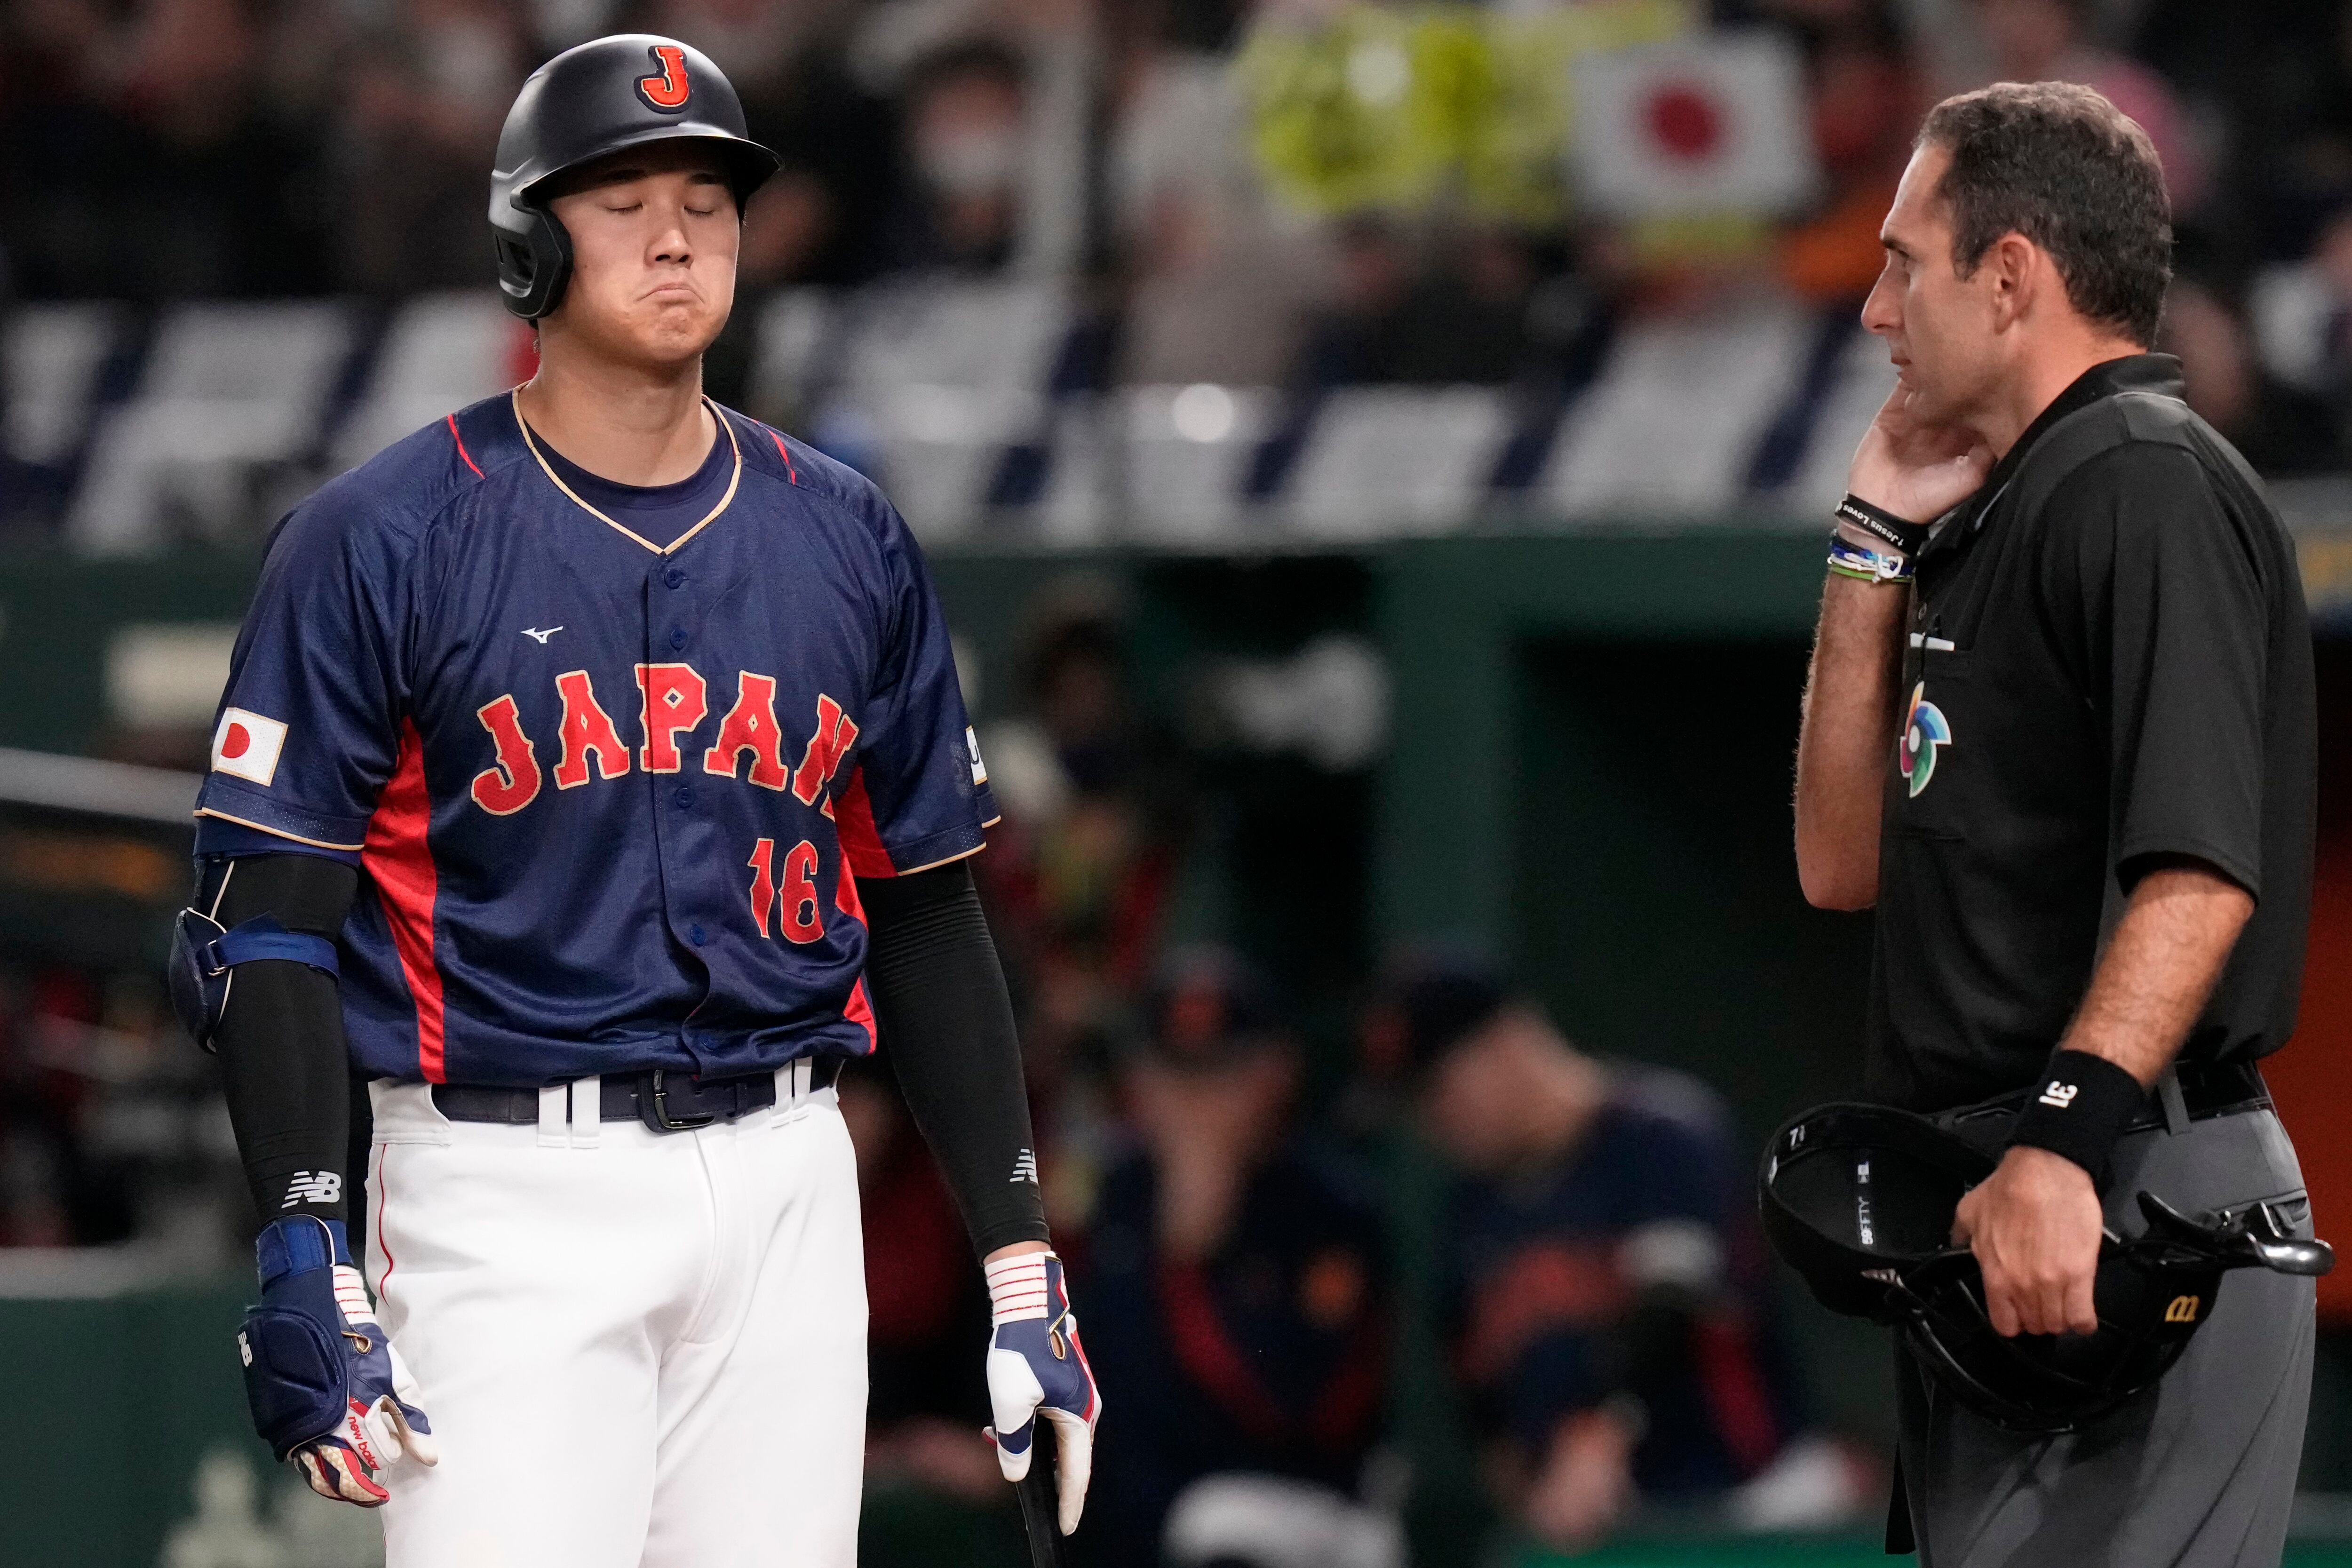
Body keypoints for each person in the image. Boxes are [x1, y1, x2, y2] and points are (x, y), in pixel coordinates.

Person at [173, 35, 1098, 1567]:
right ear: (529, 244)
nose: (677, 235)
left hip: (791, 1174)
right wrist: (302, 1234)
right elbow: (262, 919)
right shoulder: (379, 537)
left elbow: (926, 906)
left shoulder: (848, 536)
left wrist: (1018, 1258)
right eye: (620, 201)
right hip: (505, 1185)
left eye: (709, 200)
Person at [1794, 81, 2317, 1565]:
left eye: (1906, 261)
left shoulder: (2141, 486)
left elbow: (2200, 878)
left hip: (2117, 1184)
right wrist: (1868, 548)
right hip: (2016, 1205)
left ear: (2010, 274)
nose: (1874, 309)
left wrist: (2058, 1152)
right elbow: (1840, 864)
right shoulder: (2002, 506)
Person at [1383, 958, 1796, 1554]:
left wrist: (1596, 1433)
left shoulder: (1660, 1135)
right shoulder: (1466, 1212)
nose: (1433, 1121)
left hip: (1749, 1507)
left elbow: (1672, 1305)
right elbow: (1476, 1395)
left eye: (1438, 1088)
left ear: (1506, 1042)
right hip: (1590, 1535)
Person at [1079, 948, 1389, 1566]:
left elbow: (1307, 1410)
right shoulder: (1121, 1191)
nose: (1193, 1102)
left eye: (1219, 1076)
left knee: (1218, 1523)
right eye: (1175, 1074)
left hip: (1296, 1513)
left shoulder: (1328, 1208)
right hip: (1127, 1517)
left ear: (1276, 1074)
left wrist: (1191, 1263)